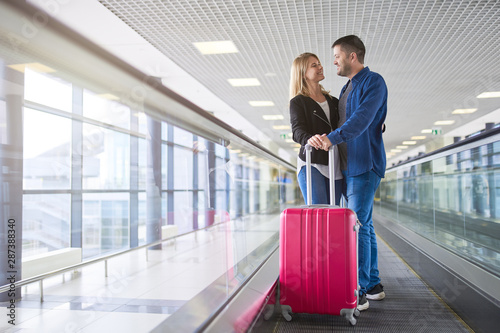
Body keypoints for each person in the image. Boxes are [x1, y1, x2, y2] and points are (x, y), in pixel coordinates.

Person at [316, 35, 388, 311]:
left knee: (356, 226)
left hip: (364, 164)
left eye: (336, 55)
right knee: (364, 225)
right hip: (348, 167)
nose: (333, 60)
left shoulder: (373, 81)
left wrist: (332, 138)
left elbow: (362, 119)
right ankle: (372, 285)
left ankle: (356, 288)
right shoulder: (347, 88)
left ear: (352, 56)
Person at [289, 52, 343, 205]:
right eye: (314, 65)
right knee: (319, 213)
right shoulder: (298, 102)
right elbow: (297, 131)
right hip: (312, 162)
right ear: (303, 74)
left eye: (319, 63)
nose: (320, 67)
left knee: (333, 215)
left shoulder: (333, 101)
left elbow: (351, 122)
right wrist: (309, 139)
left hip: (335, 162)